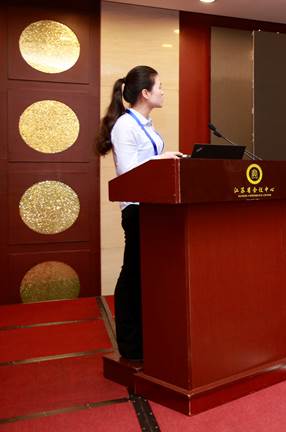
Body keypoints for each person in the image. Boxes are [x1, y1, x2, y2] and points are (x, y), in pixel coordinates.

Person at [95, 65, 182, 361]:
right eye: (160, 86)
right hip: (136, 210)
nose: (163, 92)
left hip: (154, 208)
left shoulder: (146, 125)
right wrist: (161, 159)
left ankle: (149, 338)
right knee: (133, 274)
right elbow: (128, 173)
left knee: (148, 275)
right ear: (145, 93)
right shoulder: (125, 126)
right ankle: (131, 345)